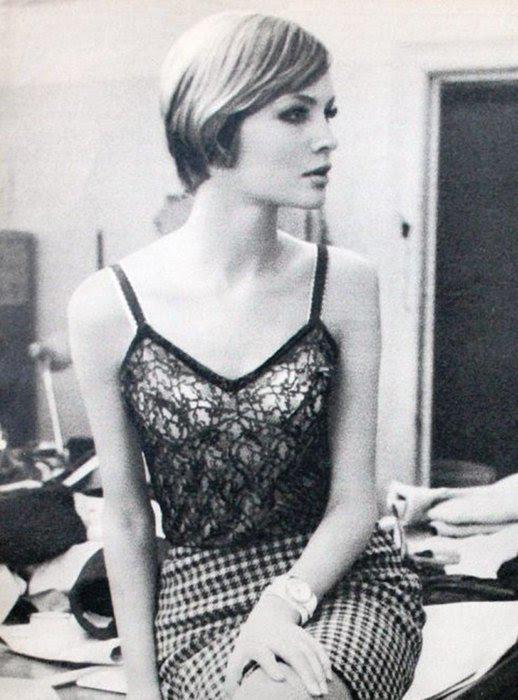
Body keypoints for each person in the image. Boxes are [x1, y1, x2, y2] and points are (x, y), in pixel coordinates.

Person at [69, 12, 424, 700]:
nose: (327, 137)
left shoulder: (344, 283)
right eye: (295, 113)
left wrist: (284, 600)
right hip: (194, 603)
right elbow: (128, 520)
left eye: (328, 112)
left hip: (333, 582)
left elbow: (357, 501)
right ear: (217, 123)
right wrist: (142, 689)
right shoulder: (105, 306)